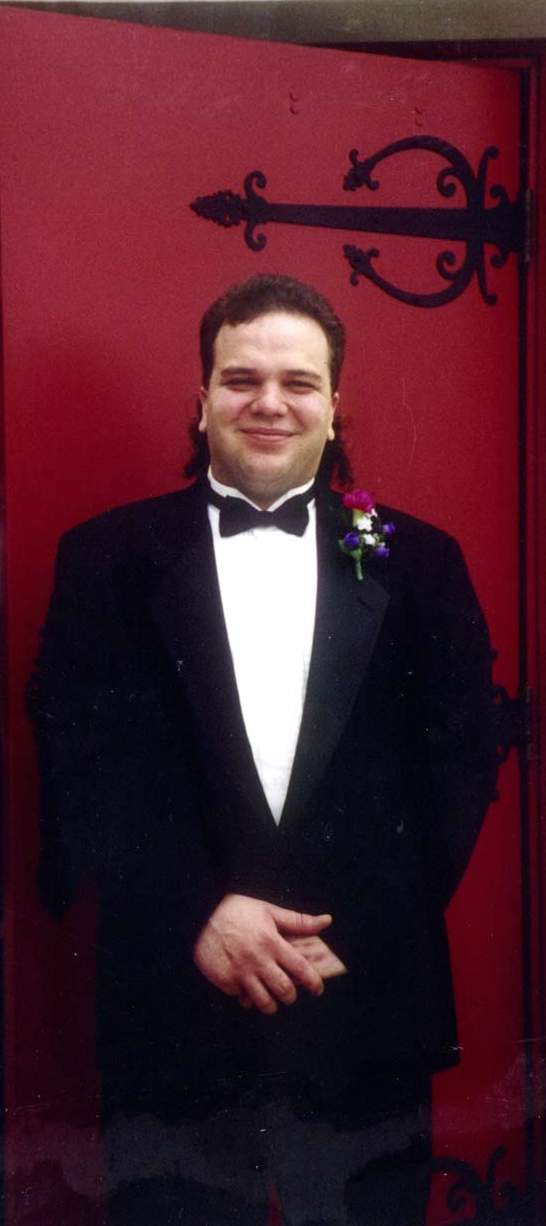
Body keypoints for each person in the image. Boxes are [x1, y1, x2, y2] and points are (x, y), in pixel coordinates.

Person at [28, 274, 499, 1226]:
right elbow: (79, 763)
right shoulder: (104, 559)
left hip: (364, 1011)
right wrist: (195, 914)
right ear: (201, 400)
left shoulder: (423, 561)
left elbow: (458, 770)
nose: (270, 402)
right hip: (173, 1010)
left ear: (335, 404)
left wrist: (344, 932)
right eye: (241, 379)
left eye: (298, 382)